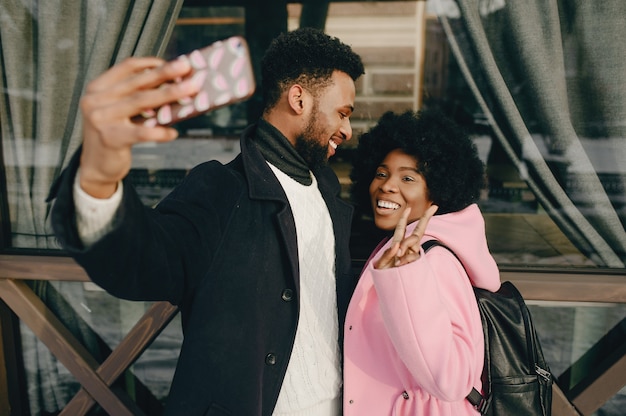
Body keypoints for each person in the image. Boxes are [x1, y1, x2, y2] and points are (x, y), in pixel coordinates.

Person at [47, 27, 364, 416]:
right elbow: (141, 262)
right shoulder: (220, 188)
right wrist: (97, 177)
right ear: (299, 98)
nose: (348, 130)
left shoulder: (329, 191)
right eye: (343, 113)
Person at [343, 109, 502, 415]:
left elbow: (451, 380)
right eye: (381, 173)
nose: (387, 185)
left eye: (407, 178)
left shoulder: (433, 261)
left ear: (436, 193)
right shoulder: (400, 249)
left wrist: (406, 276)